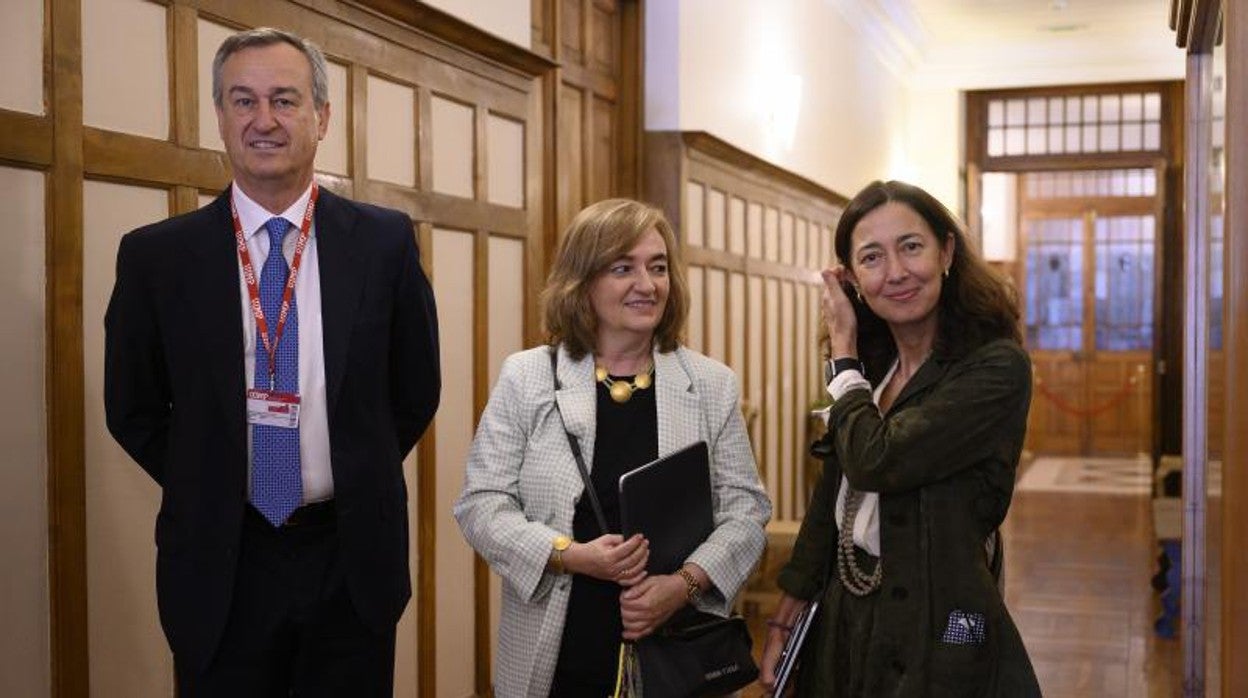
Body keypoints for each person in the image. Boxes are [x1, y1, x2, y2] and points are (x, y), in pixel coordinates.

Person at [103, 27, 440, 696]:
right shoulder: (158, 258)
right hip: (221, 565)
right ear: (220, 118)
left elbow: (414, 391)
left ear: (322, 117)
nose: (264, 120)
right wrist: (212, 481)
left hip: (350, 562)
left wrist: (345, 462)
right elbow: (133, 408)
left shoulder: (384, 244)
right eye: (243, 100)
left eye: (284, 100)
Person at [454, 198, 771, 697]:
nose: (647, 285)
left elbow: (746, 512)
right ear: (582, 282)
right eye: (623, 268)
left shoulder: (711, 384)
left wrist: (682, 585)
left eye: (658, 267)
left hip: (674, 649)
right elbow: (481, 505)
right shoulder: (529, 376)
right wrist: (570, 555)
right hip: (557, 647)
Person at [759, 180, 1040, 697]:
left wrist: (842, 357)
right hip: (848, 606)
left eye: (911, 247)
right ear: (853, 279)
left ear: (947, 251)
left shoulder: (995, 367)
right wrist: (791, 602)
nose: (896, 273)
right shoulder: (876, 369)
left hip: (946, 619)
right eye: (872, 257)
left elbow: (876, 460)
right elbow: (835, 492)